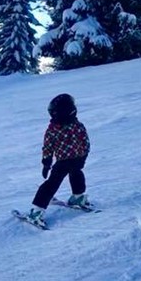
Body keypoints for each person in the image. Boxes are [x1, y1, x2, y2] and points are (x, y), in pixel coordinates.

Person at [27, 94, 91, 227]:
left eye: (54, 113)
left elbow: (48, 147)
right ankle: (77, 198)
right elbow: (85, 142)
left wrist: (47, 162)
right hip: (72, 160)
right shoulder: (75, 125)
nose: (53, 116)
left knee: (58, 182)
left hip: (68, 161)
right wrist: (83, 156)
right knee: (69, 177)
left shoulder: (57, 128)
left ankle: (38, 211)